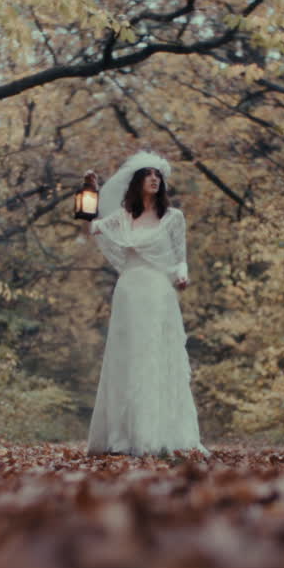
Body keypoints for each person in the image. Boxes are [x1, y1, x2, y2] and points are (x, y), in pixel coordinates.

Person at [80, 151, 208, 456]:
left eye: (158, 175)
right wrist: (88, 191)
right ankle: (124, 435)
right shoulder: (123, 216)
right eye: (148, 174)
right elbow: (91, 226)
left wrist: (181, 276)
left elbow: (180, 259)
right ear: (137, 181)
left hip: (158, 292)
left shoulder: (173, 218)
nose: (154, 179)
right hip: (129, 292)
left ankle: (159, 434)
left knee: (156, 356)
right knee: (128, 358)